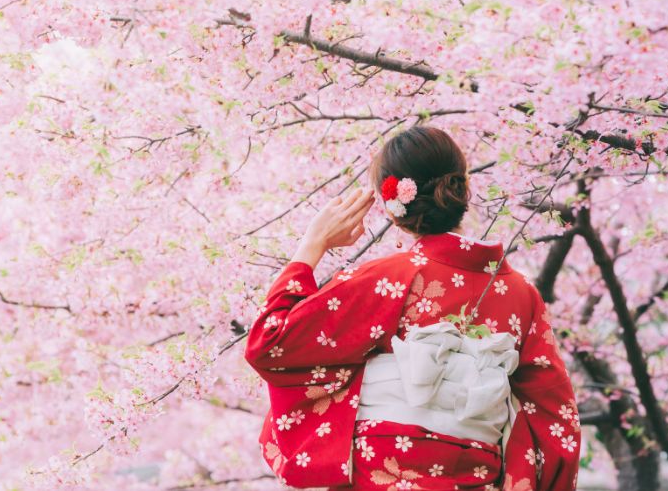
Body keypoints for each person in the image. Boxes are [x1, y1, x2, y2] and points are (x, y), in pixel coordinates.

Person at [243, 125, 581, 491]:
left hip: (380, 475)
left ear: (392, 206)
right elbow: (555, 419)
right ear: (462, 189)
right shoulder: (520, 294)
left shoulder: (385, 279)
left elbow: (270, 344)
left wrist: (311, 245)